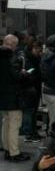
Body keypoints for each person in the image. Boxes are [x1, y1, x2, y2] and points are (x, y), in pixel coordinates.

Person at [1, 34, 30, 162]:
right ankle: (14, 153)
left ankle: (7, 149)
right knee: (14, 125)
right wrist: (24, 74)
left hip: (1, 96)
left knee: (5, 123)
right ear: (13, 44)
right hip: (12, 96)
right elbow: (15, 77)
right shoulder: (9, 58)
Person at [19, 40, 43, 142]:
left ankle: (31, 132)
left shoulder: (30, 58)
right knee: (29, 112)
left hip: (32, 88)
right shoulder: (29, 60)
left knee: (31, 111)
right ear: (32, 48)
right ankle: (29, 134)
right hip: (30, 89)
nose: (40, 51)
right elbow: (30, 75)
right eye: (38, 49)